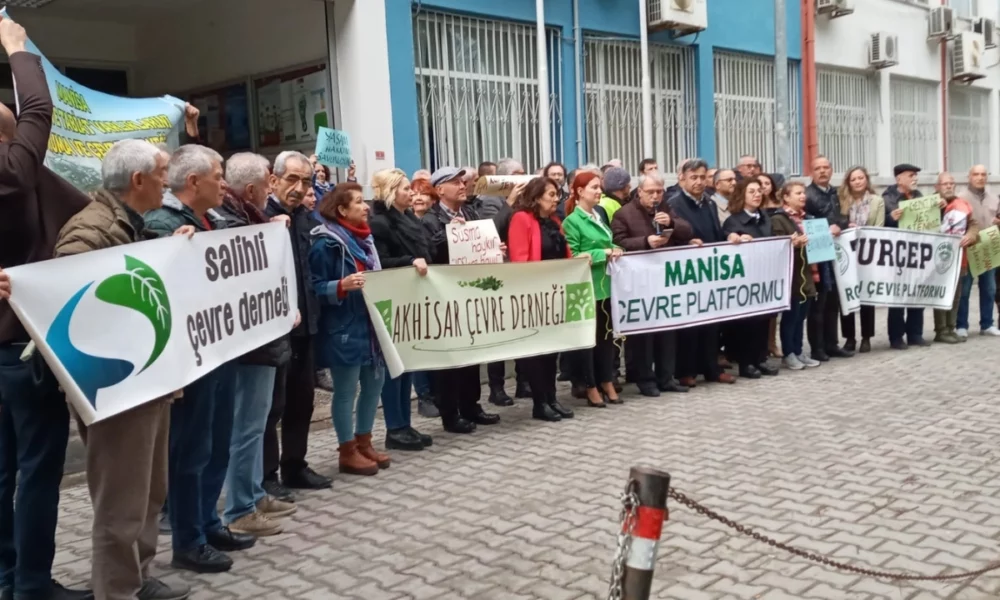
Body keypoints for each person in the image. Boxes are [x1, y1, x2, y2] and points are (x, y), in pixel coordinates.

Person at [52, 140, 190, 600]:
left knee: (148, 490)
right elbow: (67, 293)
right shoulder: (89, 229)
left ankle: (138, 575)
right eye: (163, 171)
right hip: (115, 387)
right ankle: (116, 590)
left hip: (145, 381)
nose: (167, 181)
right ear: (138, 179)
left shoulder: (130, 224)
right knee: (120, 501)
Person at [0, 18, 94, 600]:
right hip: (22, 351)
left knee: (2, 472)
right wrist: (18, 49)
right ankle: (31, 584)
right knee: (37, 471)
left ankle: (8, 578)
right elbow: (38, 109)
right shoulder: (14, 174)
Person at [144, 145, 253, 573]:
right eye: (217, 175)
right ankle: (188, 539)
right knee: (191, 449)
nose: (223, 183)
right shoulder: (162, 224)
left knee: (217, 441)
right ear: (193, 182)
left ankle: (208, 522)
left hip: (220, 346)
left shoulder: (216, 219)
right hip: (192, 354)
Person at [215, 153, 298, 538]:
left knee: (257, 421)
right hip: (250, 346)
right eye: (268, 184)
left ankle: (253, 493)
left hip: (263, 341)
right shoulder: (232, 222)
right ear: (251, 190)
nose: (272, 190)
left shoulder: (248, 218)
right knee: (247, 427)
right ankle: (239, 508)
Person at [309, 183, 391, 475]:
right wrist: (340, 286)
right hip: (344, 327)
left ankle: (364, 442)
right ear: (342, 210)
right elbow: (313, 288)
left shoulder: (365, 240)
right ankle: (347, 451)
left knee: (374, 385)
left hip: (370, 325)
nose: (366, 207)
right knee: (346, 390)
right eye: (358, 202)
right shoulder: (326, 243)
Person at [262, 152, 331, 497]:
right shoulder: (259, 218)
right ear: (273, 180)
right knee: (270, 407)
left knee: (302, 401)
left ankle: (295, 464)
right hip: (273, 331)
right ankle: (266, 475)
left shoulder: (305, 218)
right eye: (292, 179)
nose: (300, 187)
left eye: (306, 181)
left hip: (305, 323)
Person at [421, 167, 501, 433]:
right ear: (440, 189)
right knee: (450, 359)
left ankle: (471, 405)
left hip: (471, 294)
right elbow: (429, 251)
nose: (462, 186)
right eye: (455, 182)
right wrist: (448, 234)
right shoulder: (430, 219)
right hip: (445, 296)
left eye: (462, 181)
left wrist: (494, 248)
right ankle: (450, 412)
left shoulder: (471, 213)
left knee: (472, 353)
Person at [368, 169, 434, 451]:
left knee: (406, 363)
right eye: (406, 188)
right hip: (392, 299)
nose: (412, 193)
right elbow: (380, 262)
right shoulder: (380, 222)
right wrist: (409, 261)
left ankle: (405, 424)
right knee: (393, 367)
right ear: (391, 191)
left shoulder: (408, 218)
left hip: (410, 298)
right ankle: (394, 427)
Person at [611, 171, 692, 396]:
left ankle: (666, 377)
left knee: (667, 331)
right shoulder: (624, 213)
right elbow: (618, 242)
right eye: (650, 192)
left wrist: (672, 223)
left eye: (659, 191)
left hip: (664, 280)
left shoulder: (666, 209)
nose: (655, 196)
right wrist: (645, 242)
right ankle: (645, 379)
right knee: (642, 336)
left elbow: (687, 230)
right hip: (639, 282)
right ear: (639, 192)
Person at [507, 178, 575, 421]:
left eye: (557, 194)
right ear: (536, 198)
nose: (556, 199)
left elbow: (565, 255)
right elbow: (520, 261)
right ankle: (540, 402)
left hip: (555, 294)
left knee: (551, 351)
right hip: (533, 295)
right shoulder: (521, 219)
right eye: (551, 195)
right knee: (536, 352)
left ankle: (552, 398)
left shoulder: (555, 222)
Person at [667, 159, 738, 386]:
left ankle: (711, 369)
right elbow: (671, 235)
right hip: (688, 271)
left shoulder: (709, 203)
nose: (698, 182)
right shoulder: (674, 204)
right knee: (689, 326)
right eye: (693, 178)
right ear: (682, 178)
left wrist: (729, 236)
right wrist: (687, 241)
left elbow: (716, 231)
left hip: (710, 270)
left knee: (711, 323)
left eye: (701, 177)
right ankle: (686, 371)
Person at [563, 171, 623, 407]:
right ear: (580, 191)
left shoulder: (598, 214)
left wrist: (616, 248)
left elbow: (607, 242)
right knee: (588, 341)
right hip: (585, 287)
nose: (599, 192)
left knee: (606, 338)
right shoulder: (572, 221)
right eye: (594, 187)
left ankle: (606, 380)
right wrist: (603, 253)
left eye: (600, 187)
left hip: (605, 285)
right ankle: (589, 385)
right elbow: (574, 255)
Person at [722, 179, 780, 379]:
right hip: (745, 279)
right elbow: (726, 238)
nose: (757, 194)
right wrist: (734, 238)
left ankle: (760, 359)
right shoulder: (734, 220)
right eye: (751, 191)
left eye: (759, 191)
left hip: (763, 275)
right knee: (747, 323)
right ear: (742, 195)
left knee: (763, 320)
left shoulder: (764, 217)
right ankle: (746, 362)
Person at [805, 155, 851, 360]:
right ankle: (818, 347)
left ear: (831, 170)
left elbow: (843, 216)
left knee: (833, 302)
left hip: (837, 251)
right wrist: (827, 227)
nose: (822, 171)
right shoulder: (808, 195)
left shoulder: (837, 193)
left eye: (826, 167)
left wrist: (841, 225)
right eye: (818, 168)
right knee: (819, 304)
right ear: (811, 172)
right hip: (818, 253)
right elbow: (807, 221)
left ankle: (832, 343)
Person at [770, 183, 819, 370]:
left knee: (801, 317)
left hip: (807, 272)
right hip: (792, 275)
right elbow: (777, 245)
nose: (803, 196)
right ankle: (788, 352)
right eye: (798, 193)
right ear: (786, 197)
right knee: (791, 317)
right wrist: (793, 243)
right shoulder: (779, 219)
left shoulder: (808, 218)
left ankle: (798, 351)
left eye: (803, 193)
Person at [884, 163, 931, 349]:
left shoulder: (919, 196)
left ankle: (915, 334)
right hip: (897, 254)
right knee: (898, 296)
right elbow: (878, 226)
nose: (915, 179)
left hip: (916, 253)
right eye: (911, 175)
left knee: (917, 294)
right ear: (899, 179)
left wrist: (938, 208)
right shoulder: (887, 199)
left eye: (915, 175)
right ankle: (896, 337)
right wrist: (890, 218)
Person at [837, 166, 884, 353]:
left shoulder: (877, 201)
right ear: (848, 182)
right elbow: (837, 222)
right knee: (846, 295)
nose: (857, 182)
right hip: (847, 253)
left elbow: (879, 226)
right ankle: (849, 338)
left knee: (866, 296)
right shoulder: (841, 200)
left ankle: (866, 337)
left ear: (866, 180)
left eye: (860, 178)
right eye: (853, 179)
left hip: (867, 254)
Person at [406, 178, 439, 417]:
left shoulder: (433, 222)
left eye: (423, 193)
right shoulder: (406, 222)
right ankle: (424, 395)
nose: (418, 197)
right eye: (414, 192)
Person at [936, 172, 979, 344]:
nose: (948, 186)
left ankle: (951, 327)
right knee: (941, 294)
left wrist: (970, 235)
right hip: (938, 260)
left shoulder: (962, 204)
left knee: (955, 295)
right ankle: (941, 330)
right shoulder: (930, 204)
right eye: (945, 183)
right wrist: (938, 209)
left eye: (951, 183)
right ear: (937, 186)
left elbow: (974, 224)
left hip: (959, 258)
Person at [958, 164, 1000, 338]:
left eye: (983, 174)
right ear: (969, 177)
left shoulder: (994, 198)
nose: (980, 177)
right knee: (965, 289)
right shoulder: (961, 197)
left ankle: (987, 324)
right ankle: (961, 325)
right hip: (969, 249)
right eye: (976, 174)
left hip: (988, 248)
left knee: (989, 288)